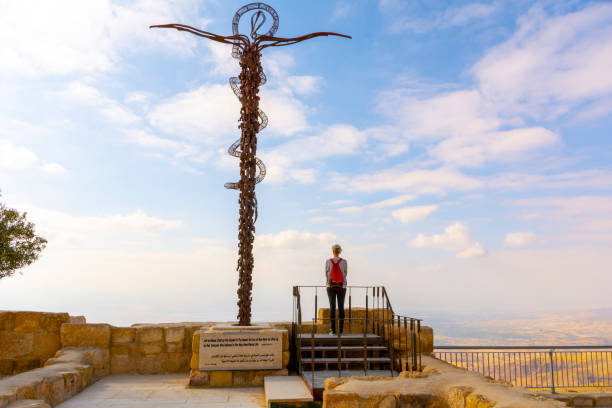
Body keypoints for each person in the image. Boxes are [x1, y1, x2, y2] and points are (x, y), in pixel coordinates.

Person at [325, 243, 347, 335]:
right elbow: (345, 273)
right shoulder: (344, 261)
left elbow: (326, 273)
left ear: (333, 251)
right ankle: (341, 331)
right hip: (342, 286)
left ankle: (333, 330)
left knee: (332, 307)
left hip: (330, 286)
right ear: (340, 251)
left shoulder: (328, 261)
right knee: (341, 307)